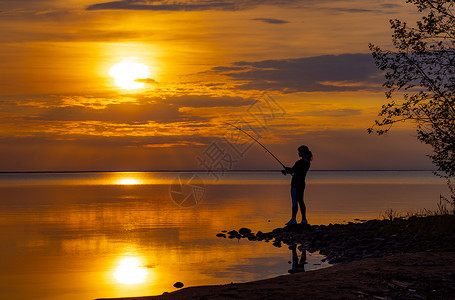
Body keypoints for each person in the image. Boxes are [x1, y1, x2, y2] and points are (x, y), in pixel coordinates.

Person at [282, 145, 312, 225]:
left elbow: (292, 170)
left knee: (295, 201)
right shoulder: (307, 162)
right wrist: (288, 171)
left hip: (295, 184)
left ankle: (293, 219)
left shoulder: (299, 162)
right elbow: (295, 171)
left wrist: (286, 170)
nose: (298, 153)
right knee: (301, 201)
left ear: (302, 152)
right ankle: (304, 219)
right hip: (302, 183)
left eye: (299, 151)